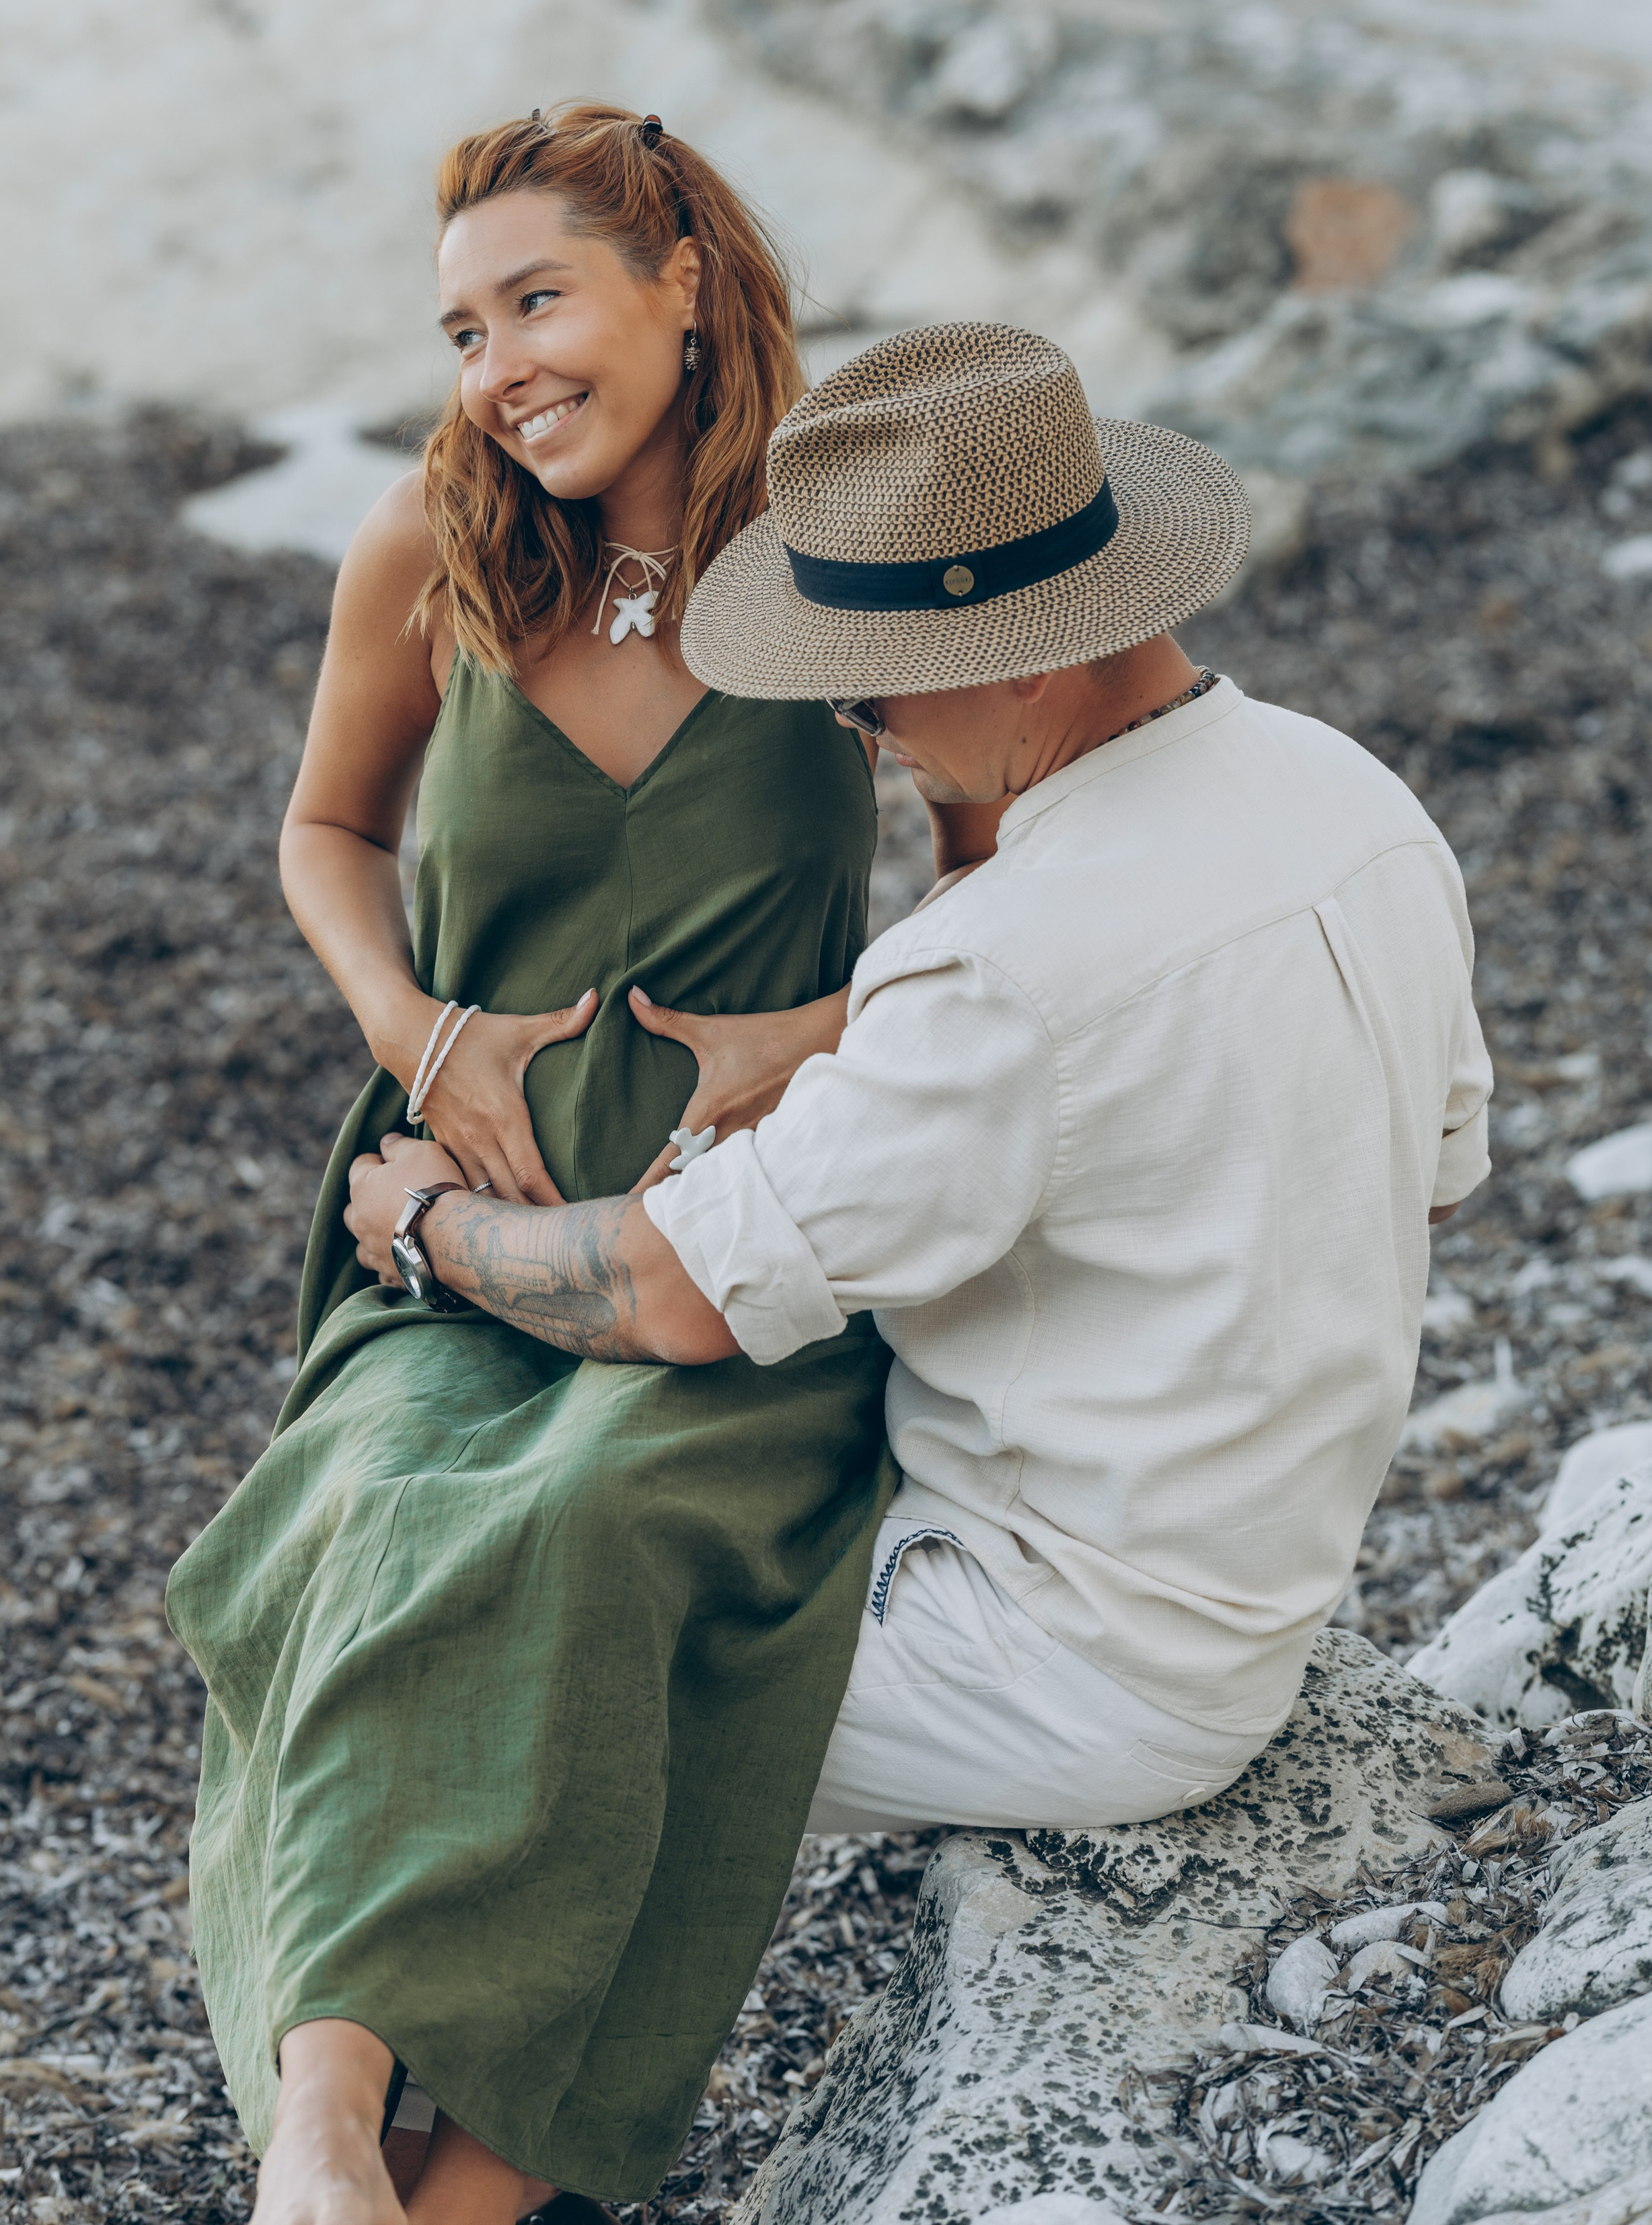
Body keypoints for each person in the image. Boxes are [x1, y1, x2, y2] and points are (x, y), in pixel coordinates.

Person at [346, 319, 1493, 1889]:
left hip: (1045, 1655)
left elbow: (667, 1291)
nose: (853, 728)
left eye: (866, 689)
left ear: (1019, 654)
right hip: (1243, 1592)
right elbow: (1428, 1176)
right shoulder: (1353, 802)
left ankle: (393, 2054)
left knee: (452, 1654)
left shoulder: (1004, 964)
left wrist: (426, 1220)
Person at [168, 108, 985, 2225]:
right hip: (442, 1232)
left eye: (538, 301)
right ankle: (324, 2121)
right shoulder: (429, 548)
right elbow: (325, 830)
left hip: (736, 1260)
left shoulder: (839, 553)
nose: (500, 369)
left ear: (682, 284)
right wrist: (412, 1029)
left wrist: (836, 1028)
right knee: (375, 1509)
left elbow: (1011, 882)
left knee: (602, 1527)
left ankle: (436, 2194)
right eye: (464, 330)